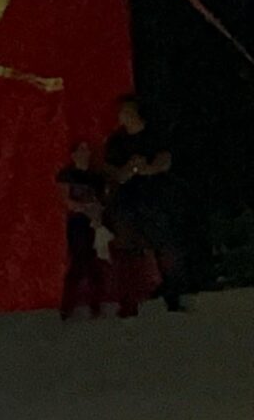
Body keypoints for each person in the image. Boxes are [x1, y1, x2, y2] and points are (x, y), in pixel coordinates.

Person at [103, 96, 185, 315]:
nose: (121, 116)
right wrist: (129, 170)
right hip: (128, 201)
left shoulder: (155, 135)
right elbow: (113, 173)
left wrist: (147, 168)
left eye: (124, 112)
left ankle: (172, 291)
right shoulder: (116, 142)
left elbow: (164, 160)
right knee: (128, 248)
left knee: (163, 243)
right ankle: (131, 297)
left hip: (155, 198)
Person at [57, 141, 114, 320]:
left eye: (87, 149)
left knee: (94, 261)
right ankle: (68, 304)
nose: (85, 152)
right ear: (73, 155)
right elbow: (66, 200)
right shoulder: (67, 174)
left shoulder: (96, 177)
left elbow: (103, 200)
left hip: (94, 223)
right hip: (78, 223)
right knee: (79, 261)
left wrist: (97, 215)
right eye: (81, 149)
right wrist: (84, 208)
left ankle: (94, 303)